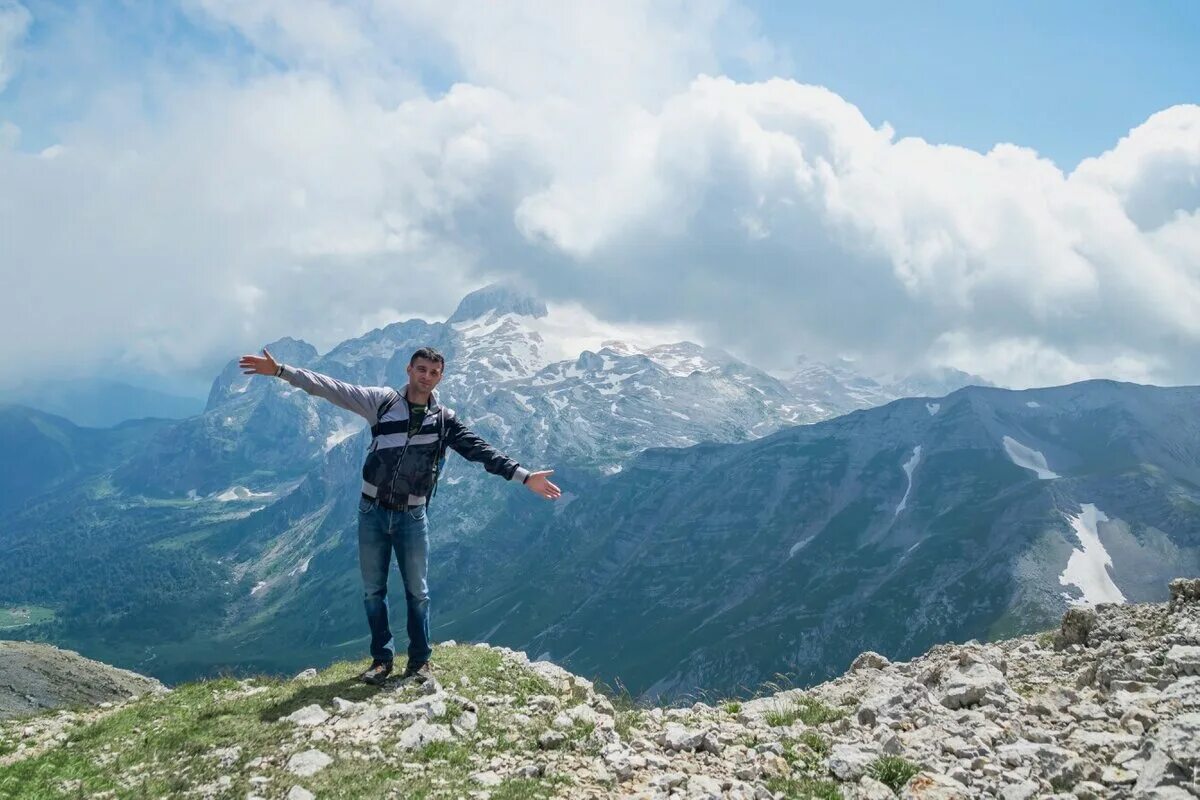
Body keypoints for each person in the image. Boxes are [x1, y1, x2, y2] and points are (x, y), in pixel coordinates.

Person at [238, 345, 561, 685]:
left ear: (440, 377)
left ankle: (420, 662)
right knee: (373, 590)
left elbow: (480, 451)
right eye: (421, 369)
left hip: (412, 515)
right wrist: (280, 371)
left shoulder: (444, 421)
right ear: (408, 370)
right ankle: (382, 660)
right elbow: (332, 388)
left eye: (433, 372)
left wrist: (524, 476)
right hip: (372, 510)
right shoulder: (382, 402)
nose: (426, 377)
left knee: (417, 592)